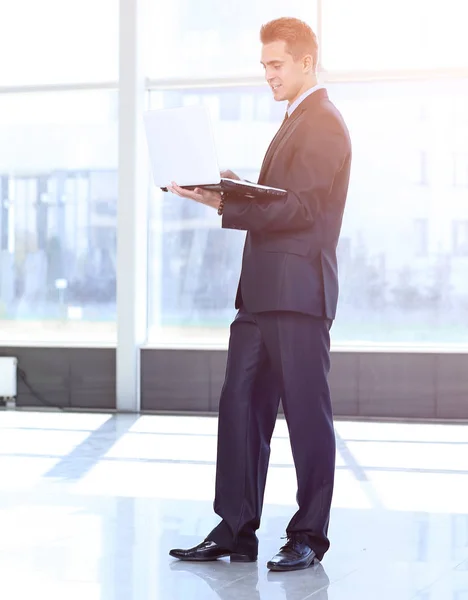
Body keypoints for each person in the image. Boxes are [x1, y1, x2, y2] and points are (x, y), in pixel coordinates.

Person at [168, 16, 352, 572]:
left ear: (305, 62)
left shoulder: (323, 123)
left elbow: (299, 209)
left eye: (276, 64)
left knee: (305, 414)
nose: (268, 75)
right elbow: (281, 195)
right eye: (264, 65)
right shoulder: (294, 121)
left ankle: (308, 536)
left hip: (298, 295)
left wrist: (226, 203)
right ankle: (235, 529)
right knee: (241, 408)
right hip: (260, 295)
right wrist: (232, 184)